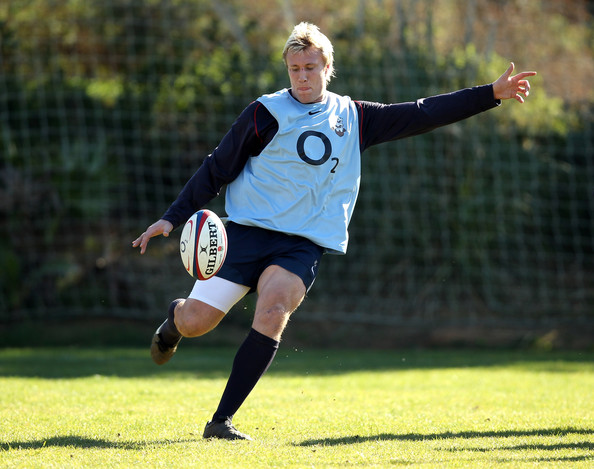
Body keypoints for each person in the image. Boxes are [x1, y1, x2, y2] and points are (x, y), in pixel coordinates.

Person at [133, 22, 536, 441]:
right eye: (294, 69)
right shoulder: (265, 113)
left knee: (273, 311)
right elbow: (217, 167)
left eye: (310, 67)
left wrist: (490, 93)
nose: (302, 77)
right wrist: (172, 217)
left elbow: (422, 112)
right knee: (197, 322)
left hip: (301, 245)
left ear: (328, 67)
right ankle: (175, 320)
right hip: (245, 234)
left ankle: (220, 422)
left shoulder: (354, 117)